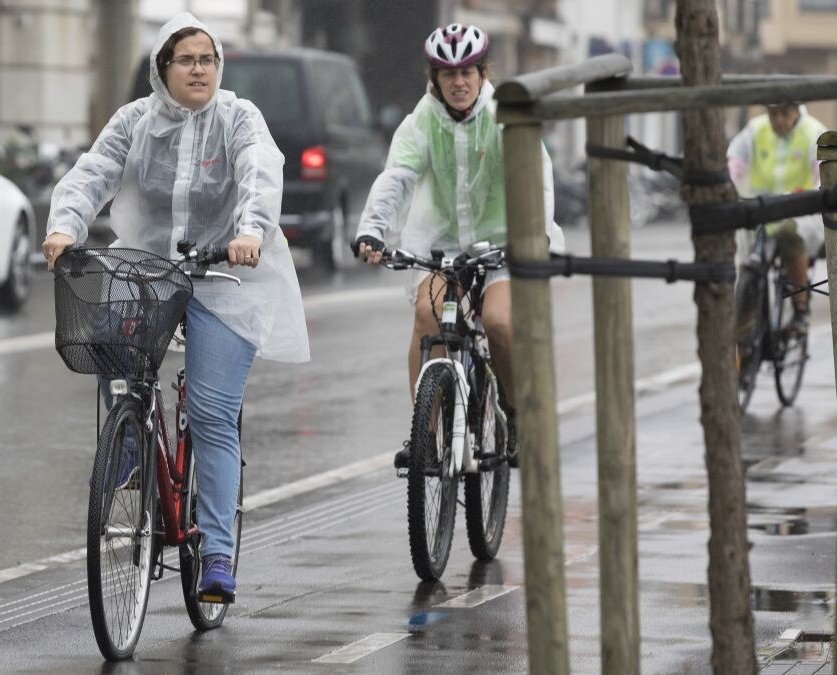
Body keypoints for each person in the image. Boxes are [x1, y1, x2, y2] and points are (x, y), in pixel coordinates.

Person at [43, 13, 309, 601]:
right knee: (108, 345)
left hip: (226, 275)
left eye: (207, 59)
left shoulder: (239, 118)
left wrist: (252, 231)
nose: (198, 69)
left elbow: (261, 173)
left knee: (212, 414)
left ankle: (215, 552)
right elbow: (92, 173)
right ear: (162, 69)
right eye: (185, 59)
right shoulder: (135, 121)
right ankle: (130, 444)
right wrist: (65, 227)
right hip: (148, 272)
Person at [353, 23, 564, 469]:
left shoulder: (505, 114)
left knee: (500, 322)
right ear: (435, 79)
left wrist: (537, 234)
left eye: (468, 71)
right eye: (448, 74)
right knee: (427, 316)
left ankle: (514, 410)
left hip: (505, 243)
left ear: (484, 73)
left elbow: (533, 177)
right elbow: (397, 177)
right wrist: (372, 228)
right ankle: (424, 436)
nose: (459, 82)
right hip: (442, 244)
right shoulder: (422, 120)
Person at [728, 101, 827, 334]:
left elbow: (822, 172)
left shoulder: (814, 133)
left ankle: (800, 309)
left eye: (785, 114)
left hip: (801, 212)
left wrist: (815, 190)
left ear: (797, 112)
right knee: (749, 264)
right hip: (760, 210)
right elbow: (735, 162)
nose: (778, 120)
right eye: (773, 114)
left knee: (789, 236)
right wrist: (729, 185)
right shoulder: (755, 130)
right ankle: (744, 328)